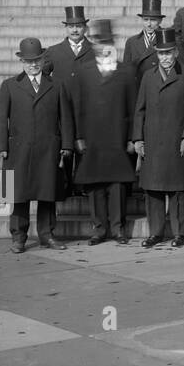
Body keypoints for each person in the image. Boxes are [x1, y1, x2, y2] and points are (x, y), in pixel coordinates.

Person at [0, 37, 73, 253]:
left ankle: (47, 235)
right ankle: (19, 237)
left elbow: (66, 118)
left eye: (37, 59)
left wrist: (67, 144)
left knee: (47, 195)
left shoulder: (56, 85)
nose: (33, 64)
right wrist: (0, 146)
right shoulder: (10, 85)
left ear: (43, 59)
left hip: (48, 148)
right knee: (18, 195)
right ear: (22, 62)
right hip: (19, 149)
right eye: (28, 61)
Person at [67, 19, 136, 246]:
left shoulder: (126, 70)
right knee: (95, 184)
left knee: (117, 185)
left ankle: (118, 228)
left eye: (108, 42)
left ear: (113, 43)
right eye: (99, 42)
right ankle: (99, 228)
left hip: (117, 137)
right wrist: (78, 136)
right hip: (93, 137)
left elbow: (133, 106)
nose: (103, 46)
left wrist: (132, 138)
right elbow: (77, 106)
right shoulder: (84, 71)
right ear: (94, 44)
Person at [132, 27, 184, 248]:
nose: (165, 57)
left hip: (177, 141)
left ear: (176, 52)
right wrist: (138, 138)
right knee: (153, 190)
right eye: (161, 53)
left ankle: (179, 233)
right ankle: (156, 232)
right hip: (153, 141)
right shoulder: (148, 77)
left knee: (177, 191)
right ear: (156, 54)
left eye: (169, 53)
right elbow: (139, 110)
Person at [45, 5, 95, 82]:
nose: (75, 30)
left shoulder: (95, 50)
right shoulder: (53, 51)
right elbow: (42, 76)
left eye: (78, 26)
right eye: (71, 26)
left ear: (85, 28)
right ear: (66, 28)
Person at [123, 0, 166, 85]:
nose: (149, 24)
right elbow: (126, 71)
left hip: (159, 85)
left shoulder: (167, 39)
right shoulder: (131, 42)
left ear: (160, 20)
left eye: (153, 20)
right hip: (138, 86)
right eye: (146, 20)